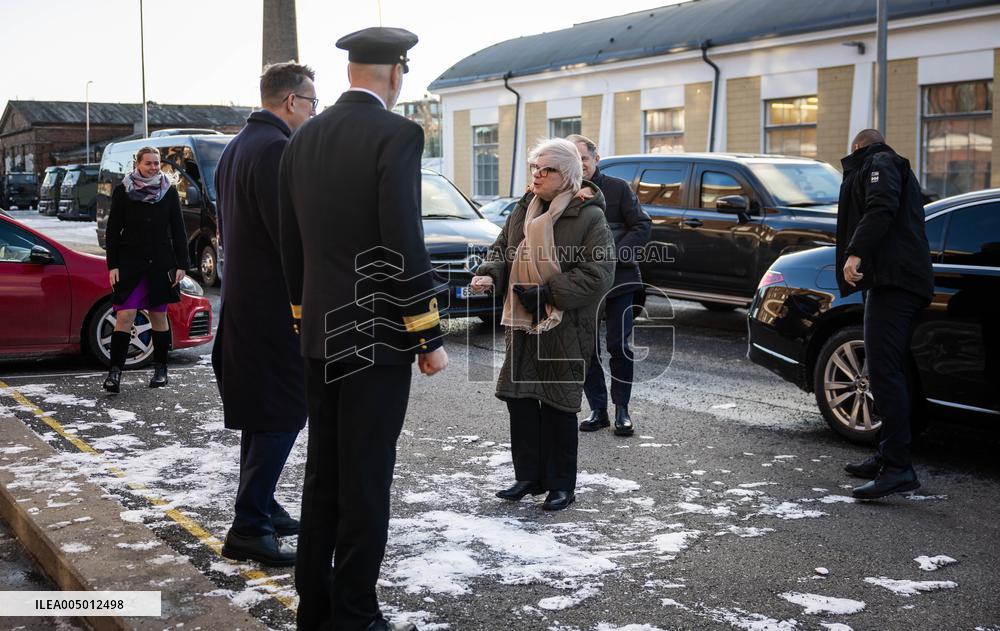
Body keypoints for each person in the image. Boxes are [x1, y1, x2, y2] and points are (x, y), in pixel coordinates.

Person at [277, 27, 448, 631]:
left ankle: (314, 606)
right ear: (397, 73)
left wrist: (303, 316)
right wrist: (425, 333)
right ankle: (354, 612)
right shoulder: (398, 133)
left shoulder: (302, 136)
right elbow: (402, 236)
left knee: (323, 472)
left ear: (351, 72)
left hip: (319, 334)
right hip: (375, 337)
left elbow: (290, 241)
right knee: (367, 477)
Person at [471, 138, 615, 512]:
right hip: (522, 321)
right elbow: (501, 249)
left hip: (564, 325)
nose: (537, 174)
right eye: (535, 167)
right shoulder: (525, 207)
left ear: (566, 174)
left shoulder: (589, 216)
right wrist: (490, 273)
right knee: (519, 401)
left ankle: (561, 485)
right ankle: (528, 477)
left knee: (557, 406)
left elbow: (599, 273)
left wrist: (549, 292)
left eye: (546, 169)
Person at [213, 62, 317, 567]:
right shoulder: (277, 149)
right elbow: (289, 238)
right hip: (276, 308)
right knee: (284, 411)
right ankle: (250, 525)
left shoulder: (236, 147)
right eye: (312, 103)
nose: (313, 113)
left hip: (243, 304)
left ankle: (263, 505)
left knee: (262, 413)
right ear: (291, 101)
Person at [836, 129, 934, 500]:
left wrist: (856, 252)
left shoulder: (880, 161)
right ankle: (887, 456)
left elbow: (881, 206)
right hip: (893, 280)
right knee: (887, 371)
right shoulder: (887, 163)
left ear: (858, 147)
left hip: (895, 283)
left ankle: (897, 468)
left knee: (883, 372)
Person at [567, 134, 651, 437]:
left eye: (583, 158)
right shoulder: (564, 191)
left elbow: (642, 224)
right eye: (573, 159)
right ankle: (598, 410)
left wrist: (613, 257)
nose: (580, 164)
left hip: (620, 280)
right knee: (587, 348)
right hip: (582, 283)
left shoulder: (618, 188)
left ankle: (622, 411)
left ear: (596, 159)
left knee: (619, 346)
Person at [102, 147, 188, 393]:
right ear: (137, 164)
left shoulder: (168, 191)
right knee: (125, 316)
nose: (153, 167)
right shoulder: (124, 191)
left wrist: (182, 265)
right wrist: (113, 265)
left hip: (161, 264)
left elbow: (178, 230)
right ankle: (114, 373)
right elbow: (113, 231)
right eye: (148, 163)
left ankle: (161, 370)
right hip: (130, 264)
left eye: (156, 163)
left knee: (158, 317)